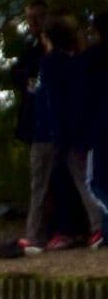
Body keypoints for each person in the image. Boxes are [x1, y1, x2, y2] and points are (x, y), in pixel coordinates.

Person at [24, 17, 106, 252]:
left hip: (48, 132)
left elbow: (50, 99)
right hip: (70, 130)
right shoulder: (76, 63)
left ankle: (34, 235)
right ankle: (98, 226)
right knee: (82, 180)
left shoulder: (49, 64)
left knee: (40, 185)